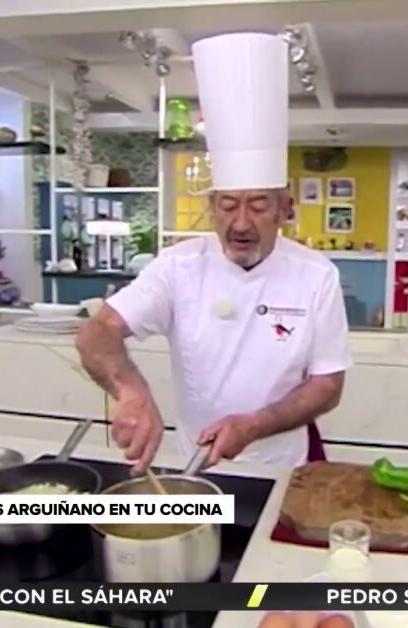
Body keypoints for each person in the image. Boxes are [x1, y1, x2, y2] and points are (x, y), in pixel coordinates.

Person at [75, 32, 351, 473]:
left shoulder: (316, 275)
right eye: (227, 205)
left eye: (258, 205)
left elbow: (327, 385)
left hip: (285, 465)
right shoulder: (178, 267)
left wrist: (254, 425)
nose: (240, 223)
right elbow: (98, 331)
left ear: (285, 209)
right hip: (196, 463)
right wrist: (130, 390)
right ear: (212, 207)